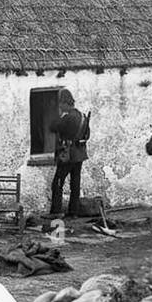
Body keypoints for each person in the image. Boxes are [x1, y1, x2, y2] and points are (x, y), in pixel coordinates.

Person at [49, 89, 88, 218]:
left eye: (61, 103)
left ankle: (56, 211)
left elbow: (53, 127)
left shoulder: (68, 117)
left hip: (68, 154)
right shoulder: (83, 116)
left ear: (65, 103)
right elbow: (87, 134)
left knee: (58, 182)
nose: (60, 106)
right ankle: (73, 212)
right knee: (75, 183)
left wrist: (60, 116)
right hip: (79, 154)